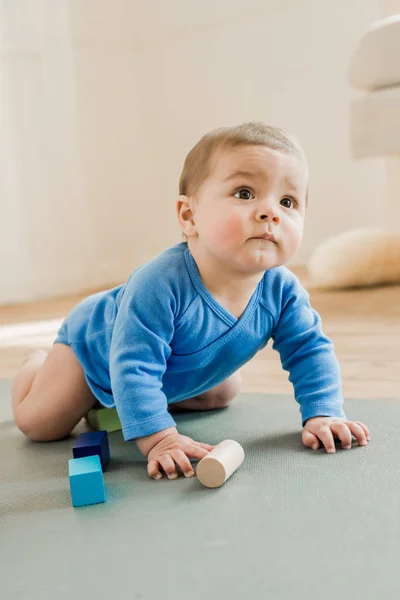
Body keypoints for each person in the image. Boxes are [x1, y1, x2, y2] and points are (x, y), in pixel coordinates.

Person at [12, 121, 370, 481]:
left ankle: (120, 407)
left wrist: (323, 412)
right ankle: (36, 366)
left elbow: (310, 350)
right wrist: (160, 439)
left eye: (287, 201)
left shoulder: (284, 291)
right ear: (189, 216)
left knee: (224, 391)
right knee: (40, 425)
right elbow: (133, 365)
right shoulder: (157, 284)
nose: (270, 212)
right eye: (245, 193)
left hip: (168, 366)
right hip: (95, 352)